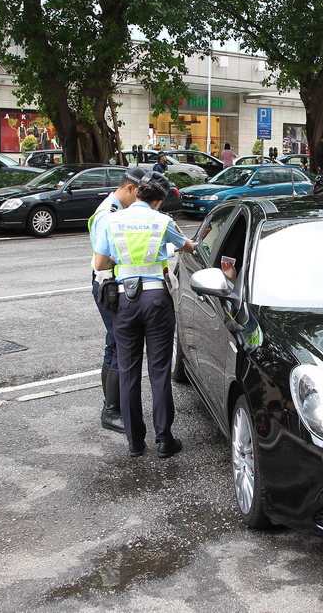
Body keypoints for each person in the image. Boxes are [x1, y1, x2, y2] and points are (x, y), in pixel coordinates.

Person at [93, 173, 195, 458]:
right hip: (157, 299)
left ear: (136, 194)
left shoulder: (111, 220)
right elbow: (186, 246)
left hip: (125, 298)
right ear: (158, 201)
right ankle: (164, 439)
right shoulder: (162, 221)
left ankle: (135, 443)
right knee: (159, 370)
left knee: (128, 371)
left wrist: (124, 261)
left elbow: (100, 262)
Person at [88, 167, 145, 433]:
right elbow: (104, 258)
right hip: (108, 283)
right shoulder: (108, 215)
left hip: (109, 282)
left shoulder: (113, 209)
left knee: (113, 343)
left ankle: (113, 407)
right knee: (119, 345)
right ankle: (111, 411)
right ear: (132, 189)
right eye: (140, 196)